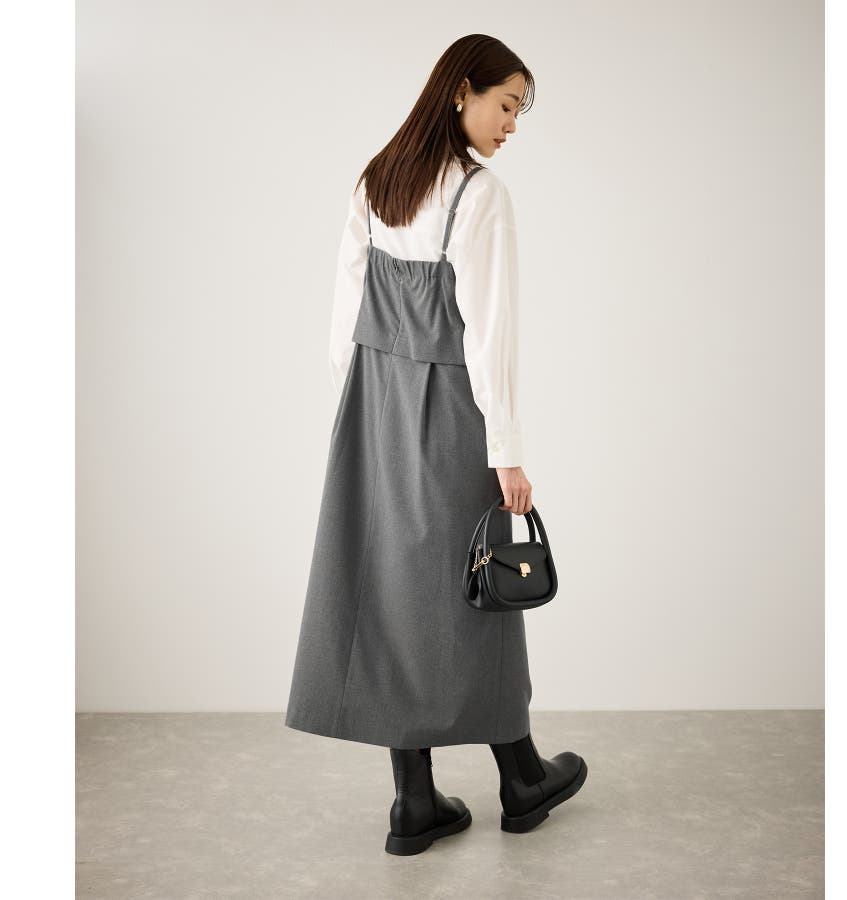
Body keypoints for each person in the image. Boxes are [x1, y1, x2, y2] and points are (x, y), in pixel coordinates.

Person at [284, 34, 587, 856]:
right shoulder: (481, 196)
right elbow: (489, 335)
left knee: (391, 589)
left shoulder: (376, 178)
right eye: (507, 105)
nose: (512, 124)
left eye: (519, 111)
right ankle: (520, 778)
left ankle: (414, 802)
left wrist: (362, 404)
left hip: (372, 404)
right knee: (479, 586)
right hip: (451, 409)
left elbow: (345, 311)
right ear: (462, 91)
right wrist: (506, 448)